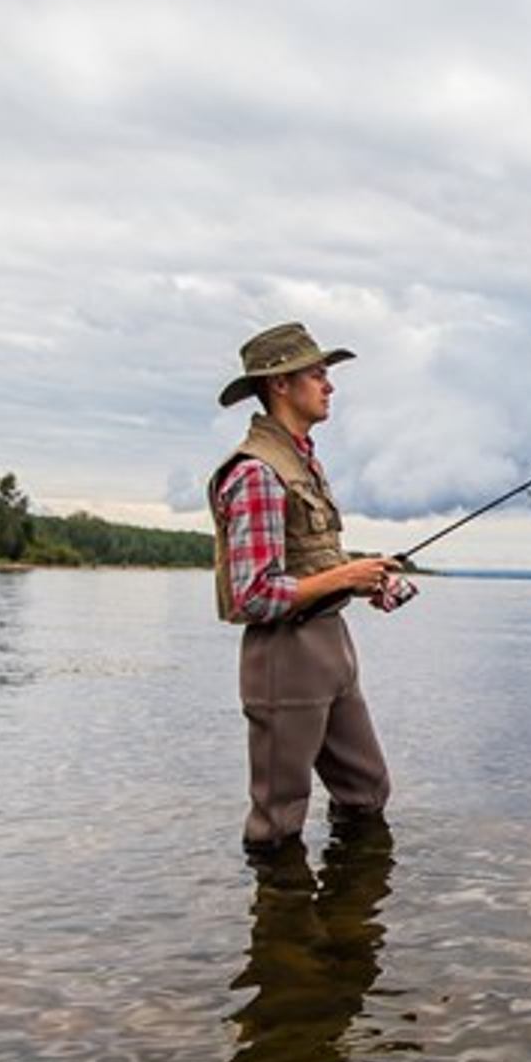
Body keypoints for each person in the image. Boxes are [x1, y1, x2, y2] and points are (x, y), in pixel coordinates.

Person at [209, 321, 415, 856]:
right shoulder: (257, 471)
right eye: (318, 375)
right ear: (280, 384)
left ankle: (351, 929)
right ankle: (282, 934)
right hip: (285, 655)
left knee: (367, 794)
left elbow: (307, 562)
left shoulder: (305, 462)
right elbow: (252, 593)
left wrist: (368, 577)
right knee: (278, 819)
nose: (330, 386)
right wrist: (345, 575)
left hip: (331, 647)